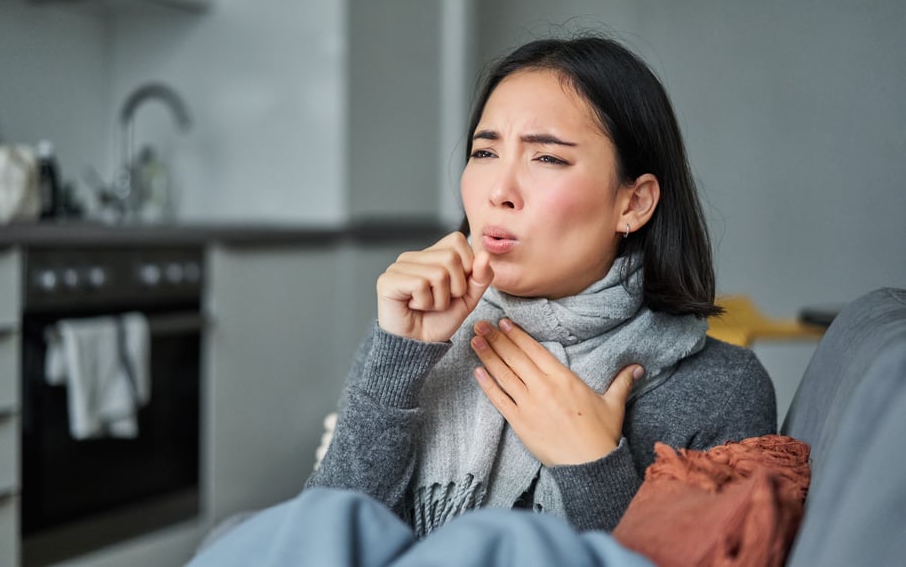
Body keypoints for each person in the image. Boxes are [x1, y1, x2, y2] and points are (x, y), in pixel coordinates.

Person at [306, 34, 777, 536]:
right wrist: (396, 362)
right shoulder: (417, 337)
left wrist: (593, 465)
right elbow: (317, 545)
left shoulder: (720, 390)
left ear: (634, 203)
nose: (499, 192)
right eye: (485, 153)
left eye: (547, 158)